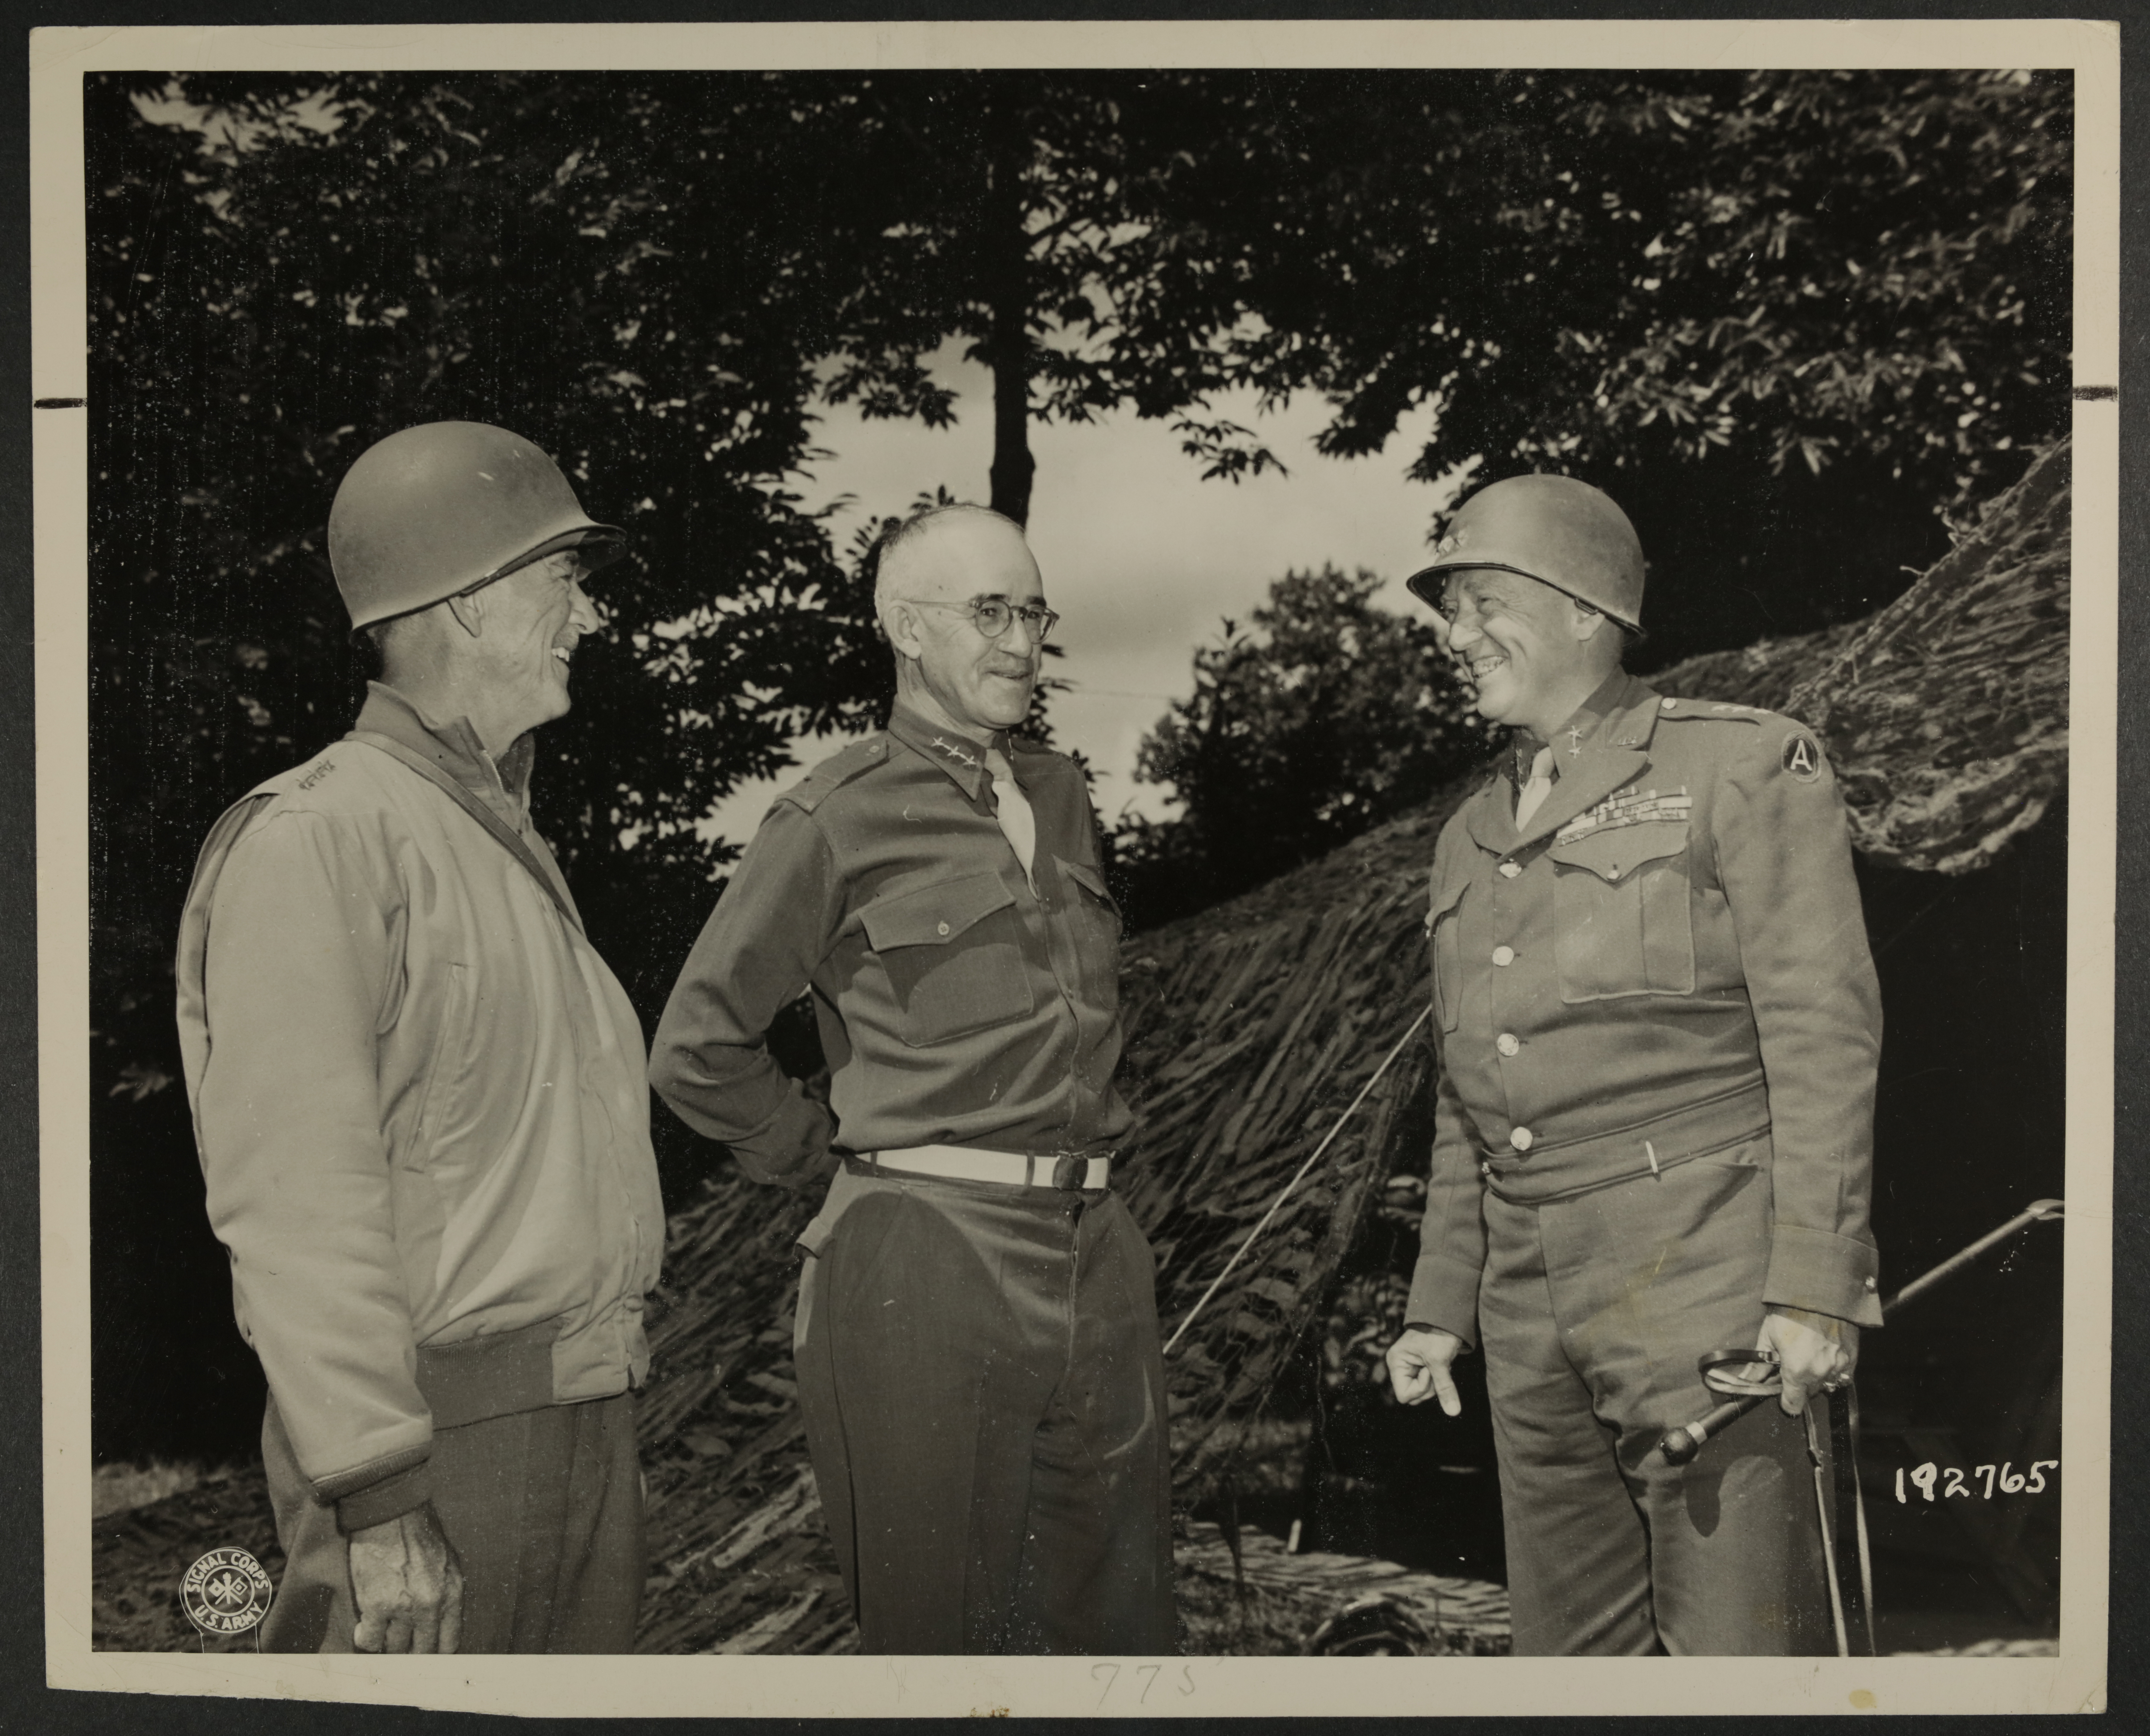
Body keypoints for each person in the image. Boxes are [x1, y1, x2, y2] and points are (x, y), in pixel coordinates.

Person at [648, 503, 1174, 1656]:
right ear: (904, 626)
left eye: (1035, 613)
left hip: (1098, 1251)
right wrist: (833, 1167)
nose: (1024, 643)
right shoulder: (835, 816)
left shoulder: (1063, 797)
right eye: (990, 612)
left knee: (1125, 1637)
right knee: (943, 1644)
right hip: (926, 1262)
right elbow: (697, 1045)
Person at [175, 421, 664, 1654]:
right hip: (434, 1452)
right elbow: (296, 1198)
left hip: (578, 1421)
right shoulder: (320, 837)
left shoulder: (499, 839)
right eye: (566, 582)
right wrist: (381, 1494)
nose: (588, 619)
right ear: (470, 601)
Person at [1381, 473, 1883, 1656]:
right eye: (1451, 611)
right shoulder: (1466, 836)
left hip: (1708, 1277)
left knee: (1742, 1659)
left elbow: (1823, 1032)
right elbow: (1470, 1089)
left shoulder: (1741, 764)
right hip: (1528, 1310)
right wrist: (1439, 1306)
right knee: (1573, 1666)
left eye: (1481, 601)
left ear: (1583, 610)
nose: (1456, 637)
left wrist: (1813, 1282)